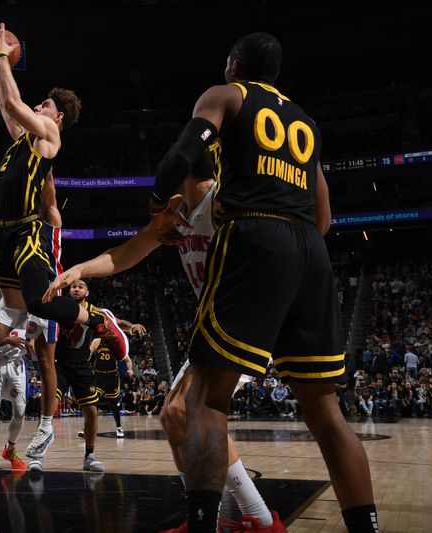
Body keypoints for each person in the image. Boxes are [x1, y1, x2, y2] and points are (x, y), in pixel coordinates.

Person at [148, 32, 375, 532]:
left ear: (234, 64)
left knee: (206, 400)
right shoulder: (306, 121)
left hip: (255, 233)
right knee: (326, 412)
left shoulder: (226, 95)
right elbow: (325, 215)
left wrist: (158, 201)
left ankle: (208, 524)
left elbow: (181, 157)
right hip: (310, 252)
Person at [44, 153, 282, 531]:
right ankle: (225, 517)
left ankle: (254, 519)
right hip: (213, 326)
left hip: (245, 322)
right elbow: (124, 255)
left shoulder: (227, 203)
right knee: (172, 417)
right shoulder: (175, 210)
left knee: (189, 412)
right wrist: (79, 269)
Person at [0, 21, 120, 467]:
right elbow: (5, 103)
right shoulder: (22, 141)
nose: (37, 105)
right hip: (4, 237)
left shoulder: (50, 137)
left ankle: (94, 318)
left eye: (45, 103)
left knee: (40, 301)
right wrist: (0, 68)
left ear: (58, 117)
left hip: (28, 237)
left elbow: (13, 100)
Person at [54, 280, 128, 473]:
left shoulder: (96, 312)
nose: (76, 289)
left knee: (92, 411)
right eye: (73, 286)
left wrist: (127, 330)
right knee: (50, 405)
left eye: (80, 286)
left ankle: (89, 456)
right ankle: (38, 453)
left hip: (82, 366)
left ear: (87, 291)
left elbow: (115, 326)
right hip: (60, 363)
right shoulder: (60, 306)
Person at [0, 300, 37, 472]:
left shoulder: (30, 311)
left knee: (20, 411)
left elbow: (35, 336)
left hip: (17, 364)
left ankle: (10, 450)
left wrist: (33, 345)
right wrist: (7, 340)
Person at [79, 316, 140, 439]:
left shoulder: (116, 343)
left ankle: (119, 428)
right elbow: (89, 353)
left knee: (113, 404)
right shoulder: (97, 341)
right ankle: (86, 428)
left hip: (112, 377)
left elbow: (127, 359)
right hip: (98, 376)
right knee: (92, 402)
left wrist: (130, 369)